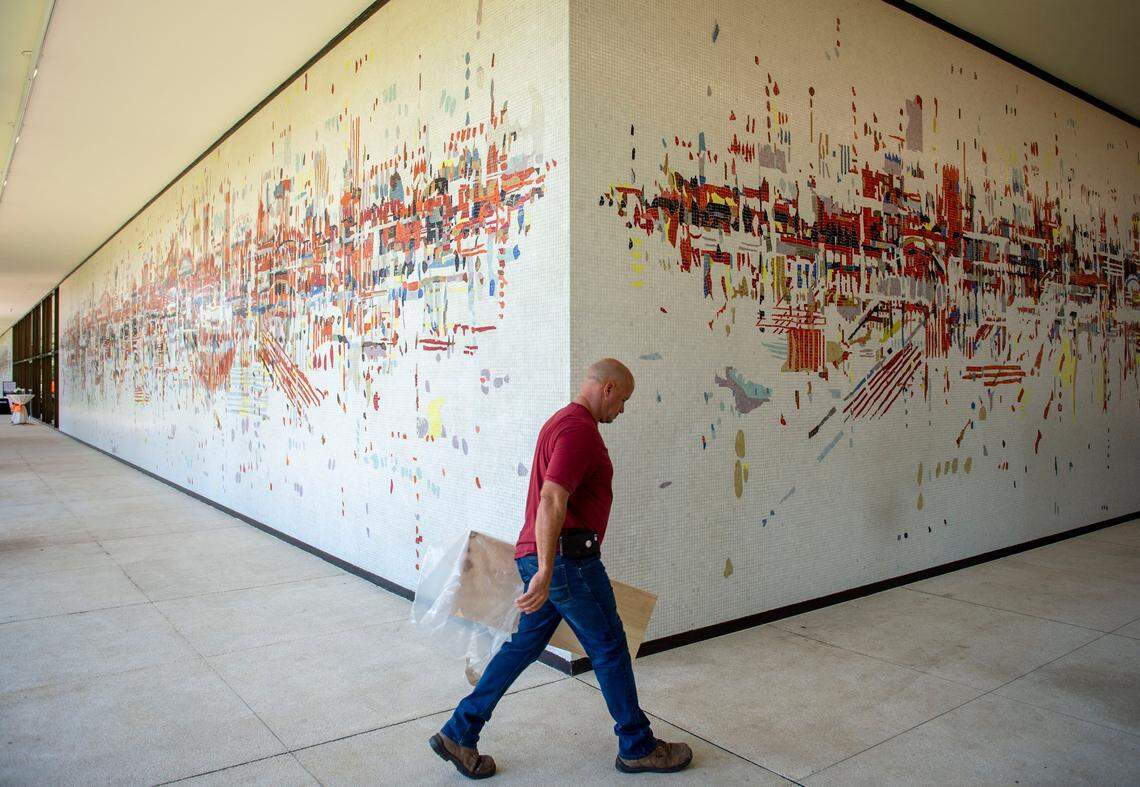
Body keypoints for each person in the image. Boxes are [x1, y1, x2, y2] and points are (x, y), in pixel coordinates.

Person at [429, 358, 693, 779]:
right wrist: (548, 568)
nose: (621, 410)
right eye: (622, 400)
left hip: (551, 558)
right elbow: (553, 498)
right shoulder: (578, 431)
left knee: (524, 646)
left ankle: (460, 731)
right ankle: (637, 746)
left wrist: (543, 565)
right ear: (607, 388)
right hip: (568, 561)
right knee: (609, 646)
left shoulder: (560, 423)